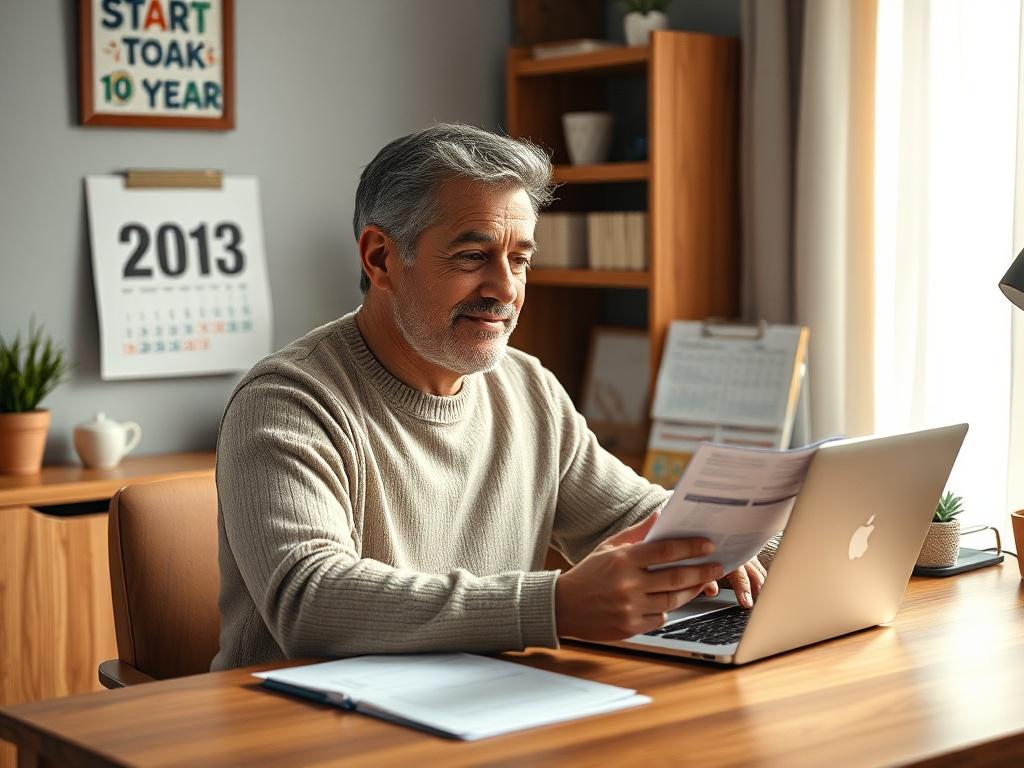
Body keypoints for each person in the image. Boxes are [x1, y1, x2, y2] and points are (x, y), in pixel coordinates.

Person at [211, 123, 766, 671]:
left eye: (520, 259)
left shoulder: (528, 387)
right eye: (473, 257)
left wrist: (757, 546)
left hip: (485, 708)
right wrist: (554, 605)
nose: (505, 289)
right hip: (306, 731)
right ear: (381, 258)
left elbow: (636, 517)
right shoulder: (287, 402)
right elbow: (311, 600)